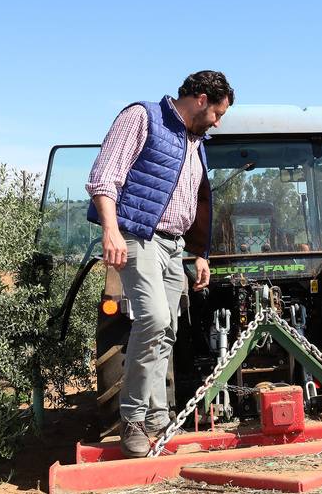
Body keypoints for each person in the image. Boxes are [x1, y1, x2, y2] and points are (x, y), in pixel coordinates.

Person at [85, 70, 234, 457]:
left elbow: (196, 203)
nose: (218, 121)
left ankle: (156, 416)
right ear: (201, 99)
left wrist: (198, 252)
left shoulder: (195, 142)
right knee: (152, 318)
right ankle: (132, 418)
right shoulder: (142, 117)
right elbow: (104, 176)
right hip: (138, 235)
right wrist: (111, 230)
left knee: (167, 331)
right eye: (218, 113)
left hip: (174, 246)